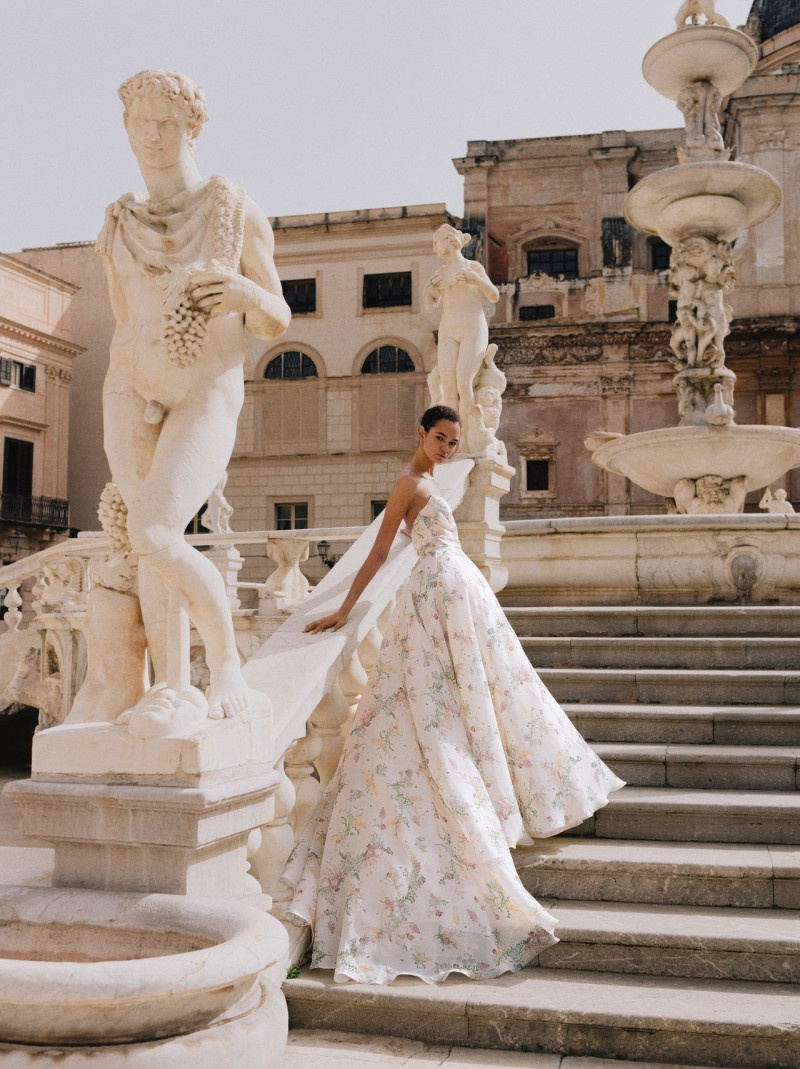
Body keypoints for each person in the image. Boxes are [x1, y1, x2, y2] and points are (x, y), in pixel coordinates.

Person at [282, 405, 624, 984]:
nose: (446, 448)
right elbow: (381, 549)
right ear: (420, 434)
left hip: (457, 592)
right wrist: (345, 608)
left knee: (493, 694)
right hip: (436, 595)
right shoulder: (408, 483)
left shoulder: (435, 480)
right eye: (440, 439)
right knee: (438, 706)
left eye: (453, 441)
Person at [95, 69, 290, 725]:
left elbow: (277, 317)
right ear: (125, 127)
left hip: (205, 388)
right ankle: (170, 687)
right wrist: (136, 384)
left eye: (168, 123)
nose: (153, 135)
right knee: (151, 539)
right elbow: (125, 317)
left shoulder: (233, 208)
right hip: (130, 385)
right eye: (142, 122)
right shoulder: (117, 223)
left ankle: (226, 664)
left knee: (154, 528)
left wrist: (241, 294)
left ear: (192, 128)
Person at [424, 225, 500, 428]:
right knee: (448, 385)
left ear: (449, 240)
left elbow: (494, 295)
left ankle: (469, 435)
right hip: (448, 329)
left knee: (464, 382)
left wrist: (474, 279)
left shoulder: (472, 267)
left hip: (472, 326)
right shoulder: (439, 273)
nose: (434, 249)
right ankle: (453, 440)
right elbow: (430, 307)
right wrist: (428, 290)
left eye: (435, 242)